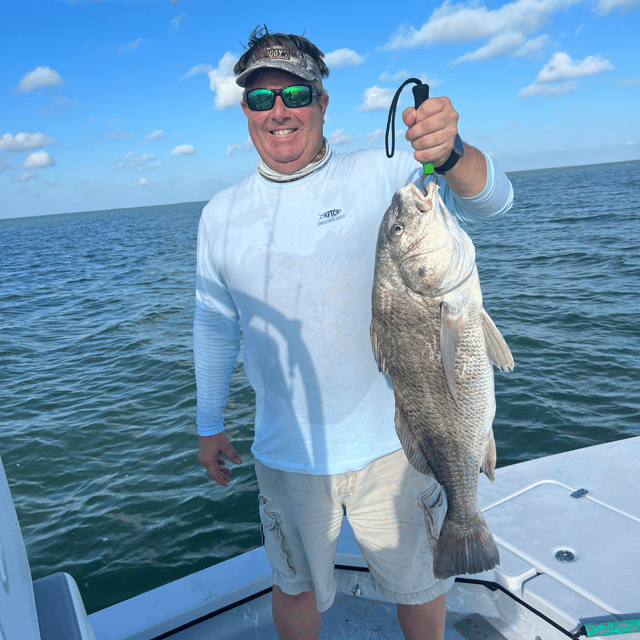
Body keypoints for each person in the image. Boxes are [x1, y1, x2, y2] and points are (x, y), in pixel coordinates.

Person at [194, 27, 513, 640]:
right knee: (293, 587)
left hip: (399, 444)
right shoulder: (219, 215)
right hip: (287, 452)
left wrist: (449, 152)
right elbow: (214, 320)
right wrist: (209, 422)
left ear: (321, 101)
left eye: (294, 93)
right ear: (245, 112)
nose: (279, 111)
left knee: (421, 587)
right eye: (262, 99)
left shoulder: (387, 173)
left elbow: (494, 201)